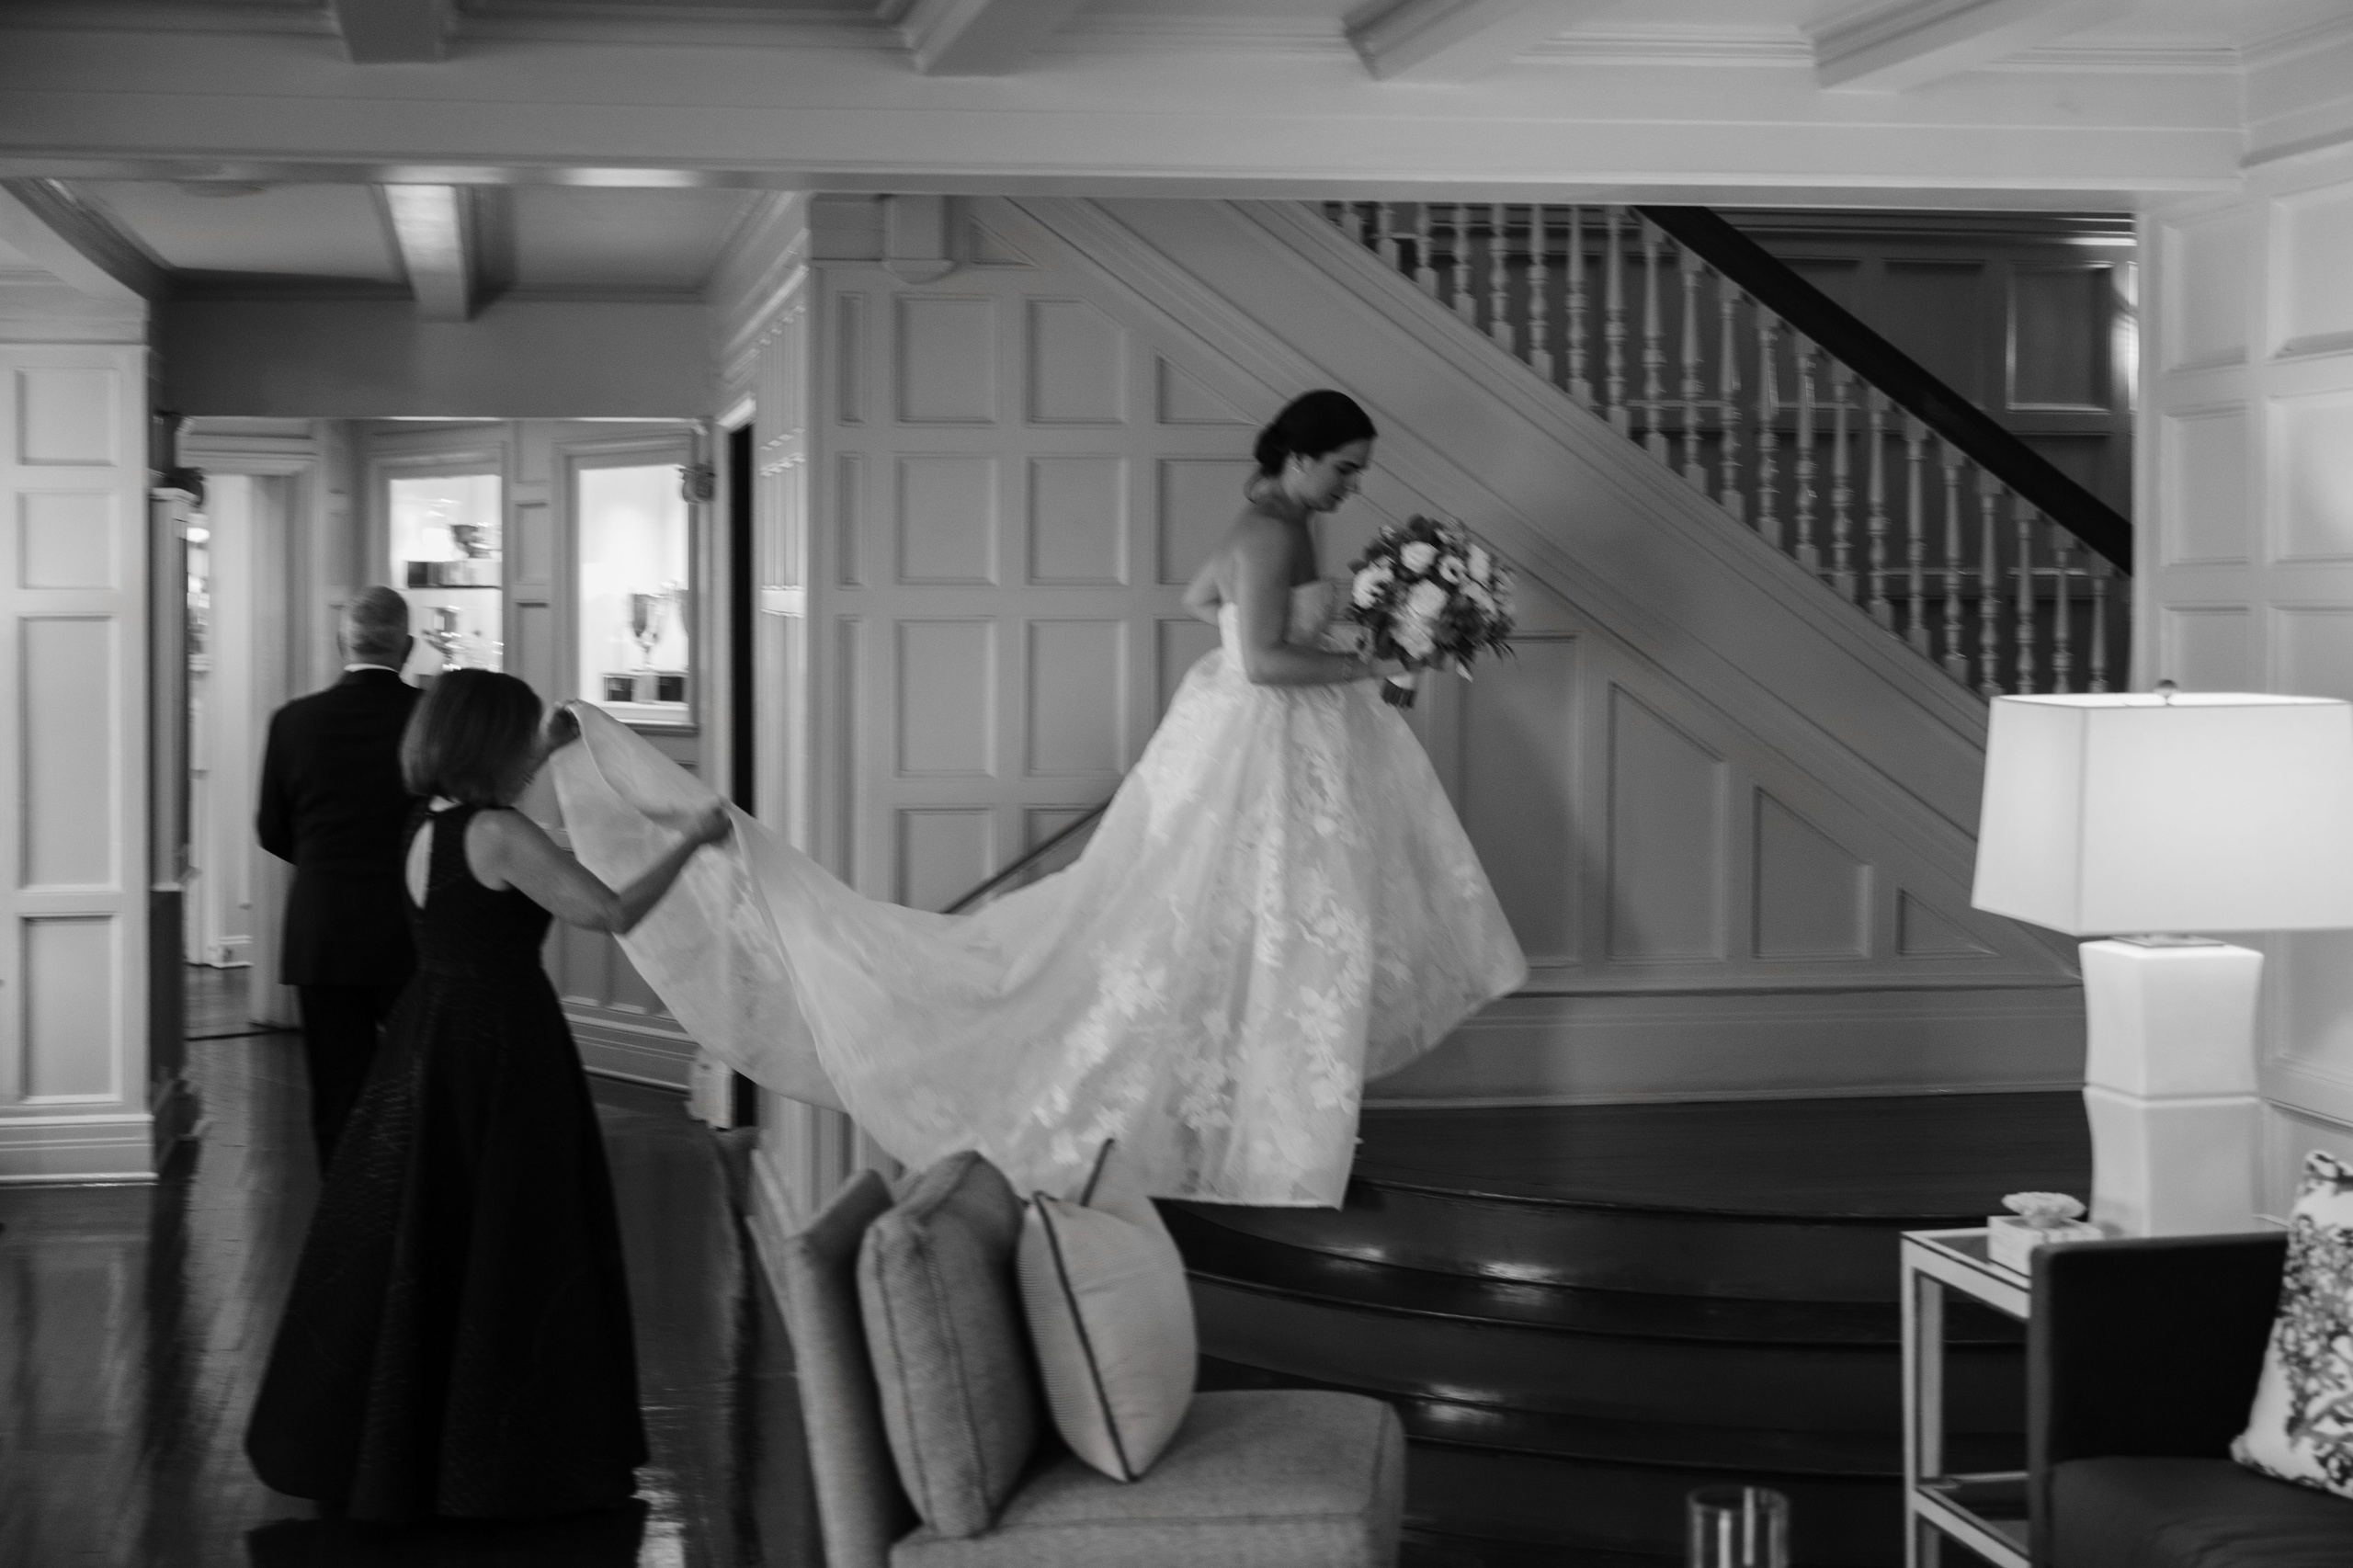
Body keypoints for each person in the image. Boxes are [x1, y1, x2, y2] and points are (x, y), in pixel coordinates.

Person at [551, 388, 1528, 1208]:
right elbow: (1267, 662)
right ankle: (1271, 1137)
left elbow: (1201, 601)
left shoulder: (1265, 519)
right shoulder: (1275, 531)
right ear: (1302, 456)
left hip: (1240, 739)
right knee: (1272, 929)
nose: (1351, 487)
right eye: (1343, 468)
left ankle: (1267, 1126)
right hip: (1263, 740)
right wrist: (1374, 658)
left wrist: (1306, 640)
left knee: (1248, 929)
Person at [245, 669, 732, 1523]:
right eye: (518, 737)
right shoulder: (502, 833)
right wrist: (693, 836)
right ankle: (504, 1450)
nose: (525, 750)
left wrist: (547, 747)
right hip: (502, 1045)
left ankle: (411, 1442)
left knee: (431, 1238)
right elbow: (609, 912)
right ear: (489, 745)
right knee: (513, 1237)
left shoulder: (425, 821)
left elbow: (483, 852)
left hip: (429, 1034)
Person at [255, 585, 424, 1170]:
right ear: (409, 648)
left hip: (322, 930)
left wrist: (328, 864)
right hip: (414, 929)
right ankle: (416, 1220)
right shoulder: (430, 719)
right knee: (419, 1088)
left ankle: (344, 1228)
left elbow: (271, 829)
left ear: (340, 644)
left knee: (337, 1094)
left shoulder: (293, 722)